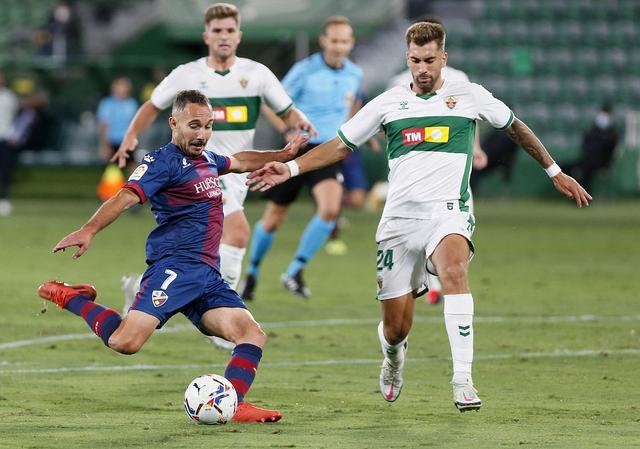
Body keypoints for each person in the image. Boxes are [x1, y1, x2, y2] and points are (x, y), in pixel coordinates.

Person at [246, 22, 591, 412]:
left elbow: (515, 127)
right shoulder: (388, 103)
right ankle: (394, 359)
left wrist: (554, 171)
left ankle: (463, 380)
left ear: (443, 58)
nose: (423, 68)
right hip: (398, 222)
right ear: (407, 59)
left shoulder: (468, 95)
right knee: (396, 328)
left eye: (429, 60)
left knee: (454, 271)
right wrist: (290, 168)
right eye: (415, 60)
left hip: (449, 212)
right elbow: (340, 145)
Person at [37, 90, 309, 423]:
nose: (202, 134)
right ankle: (72, 297)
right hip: (175, 268)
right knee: (125, 342)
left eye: (208, 126)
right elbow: (125, 197)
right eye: (194, 126)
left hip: (207, 275)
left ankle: (235, 403)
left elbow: (240, 161)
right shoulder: (161, 163)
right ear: (173, 123)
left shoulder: (208, 160)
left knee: (251, 334)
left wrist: (283, 155)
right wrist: (89, 229)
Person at [111, 3, 314, 349]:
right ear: (206, 36)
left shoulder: (256, 74)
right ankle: (224, 311)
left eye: (229, 30)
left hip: (236, 171)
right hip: (197, 170)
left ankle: (143, 286)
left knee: (210, 246)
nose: (224, 36)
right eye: (217, 31)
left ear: (239, 35)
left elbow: (287, 110)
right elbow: (152, 105)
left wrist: (300, 124)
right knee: (238, 232)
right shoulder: (187, 74)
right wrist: (131, 135)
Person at [240, 16, 362, 301]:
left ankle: (294, 271)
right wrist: (286, 129)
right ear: (323, 41)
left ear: (351, 43)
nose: (339, 46)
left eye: (344, 41)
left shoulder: (355, 73)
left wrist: (354, 129)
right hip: (297, 148)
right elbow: (270, 101)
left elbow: (353, 102)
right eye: (334, 40)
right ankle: (252, 273)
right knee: (274, 218)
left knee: (330, 209)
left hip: (328, 151)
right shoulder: (305, 70)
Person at [387, 16, 488, 306]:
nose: (422, 65)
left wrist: (475, 147)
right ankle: (428, 282)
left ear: (441, 52)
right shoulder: (398, 83)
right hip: (413, 170)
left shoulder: (459, 79)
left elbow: (470, 117)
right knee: (414, 226)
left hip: (449, 166)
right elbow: (389, 123)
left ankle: (442, 279)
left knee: (454, 225)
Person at [563, 103, 619, 192]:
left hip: (601, 163)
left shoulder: (612, 134)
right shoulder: (593, 130)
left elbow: (610, 152)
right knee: (564, 167)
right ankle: (571, 190)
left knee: (586, 171)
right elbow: (584, 146)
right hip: (587, 160)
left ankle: (583, 193)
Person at [96, 77, 139, 164]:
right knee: (112, 168)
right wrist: (104, 145)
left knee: (132, 167)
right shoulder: (107, 104)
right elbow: (103, 125)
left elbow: (136, 126)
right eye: (121, 85)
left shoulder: (132, 104)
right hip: (111, 142)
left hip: (127, 142)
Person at [0, 72, 19, 216]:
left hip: (5, 138)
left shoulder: (9, 97)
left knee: (4, 171)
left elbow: (16, 117)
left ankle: (3, 199)